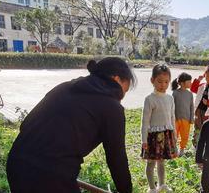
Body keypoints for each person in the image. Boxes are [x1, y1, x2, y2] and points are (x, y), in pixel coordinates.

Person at [7, 57, 135, 193]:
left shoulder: (64, 87)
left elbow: (26, 124)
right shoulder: (112, 107)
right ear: (116, 79)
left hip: (17, 164)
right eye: (123, 92)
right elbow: (116, 158)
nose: (120, 98)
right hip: (52, 176)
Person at [141, 64, 177, 193]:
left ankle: (162, 185)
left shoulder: (170, 98)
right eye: (159, 81)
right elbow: (145, 121)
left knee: (162, 162)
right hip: (153, 136)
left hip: (166, 134)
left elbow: (172, 117)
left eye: (166, 82)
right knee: (151, 163)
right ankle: (152, 188)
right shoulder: (150, 99)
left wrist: (175, 135)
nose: (163, 85)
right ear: (152, 80)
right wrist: (144, 139)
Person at [172, 72, 194, 157]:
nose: (190, 83)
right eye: (189, 82)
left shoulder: (190, 94)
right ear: (182, 83)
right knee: (174, 135)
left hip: (186, 119)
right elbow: (172, 106)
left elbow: (192, 107)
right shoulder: (175, 93)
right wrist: (171, 118)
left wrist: (191, 119)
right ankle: (174, 148)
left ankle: (182, 149)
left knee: (185, 135)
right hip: (176, 119)